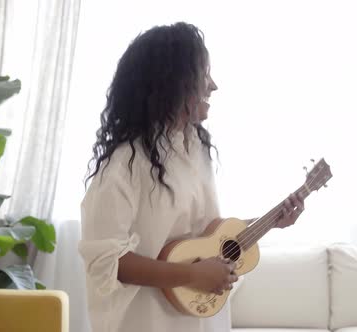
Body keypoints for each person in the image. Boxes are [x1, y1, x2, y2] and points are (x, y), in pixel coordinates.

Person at [78, 22, 305, 332]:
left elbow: (205, 240)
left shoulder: (196, 149)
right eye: (203, 74)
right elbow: (108, 262)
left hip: (198, 319)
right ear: (171, 82)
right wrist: (191, 276)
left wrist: (270, 221)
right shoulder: (123, 166)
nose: (213, 86)